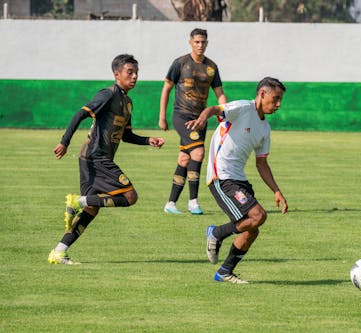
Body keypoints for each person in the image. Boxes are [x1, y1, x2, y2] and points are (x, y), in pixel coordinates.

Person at [48, 54, 165, 265]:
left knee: (92, 209)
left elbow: (126, 135)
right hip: (95, 157)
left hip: (93, 159)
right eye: (130, 72)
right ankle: (76, 201)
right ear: (117, 74)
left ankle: (59, 251)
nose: (135, 76)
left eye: (136, 72)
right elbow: (80, 114)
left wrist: (149, 140)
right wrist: (64, 142)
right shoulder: (107, 95)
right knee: (130, 197)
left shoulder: (127, 103)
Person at [185, 77, 288, 284]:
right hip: (221, 175)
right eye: (275, 99)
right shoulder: (242, 108)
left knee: (252, 230)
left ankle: (224, 271)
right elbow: (215, 109)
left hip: (239, 178)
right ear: (262, 94)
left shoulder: (264, 129)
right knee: (258, 216)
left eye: (280, 100)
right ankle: (216, 232)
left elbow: (262, 164)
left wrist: (276, 191)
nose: (278, 104)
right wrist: (202, 118)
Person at [159, 28, 227, 215]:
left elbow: (219, 93)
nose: (200, 45)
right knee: (198, 152)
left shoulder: (212, 67)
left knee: (185, 158)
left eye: (203, 42)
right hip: (181, 116)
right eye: (197, 42)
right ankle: (193, 202)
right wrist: (162, 116)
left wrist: (225, 113)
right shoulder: (180, 63)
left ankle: (171, 203)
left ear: (207, 43)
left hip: (200, 119)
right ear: (190, 42)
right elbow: (166, 88)